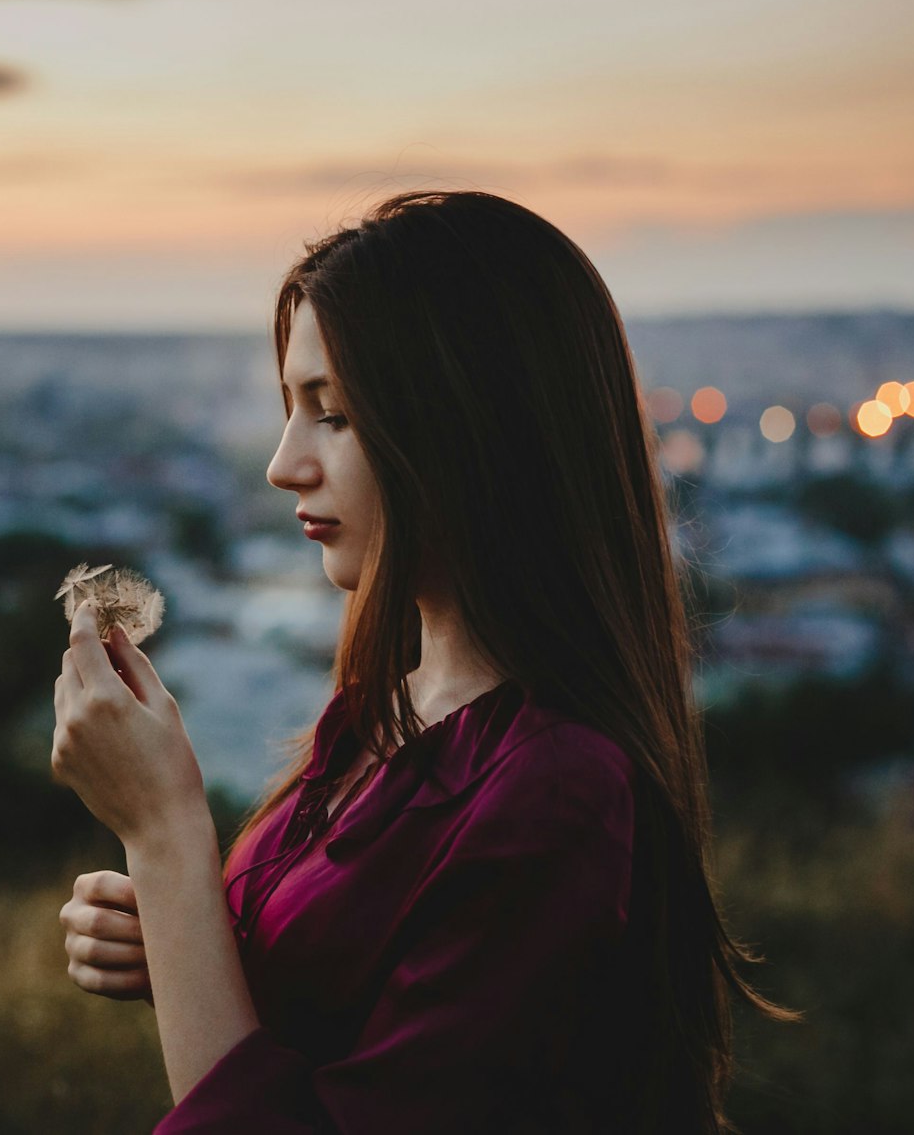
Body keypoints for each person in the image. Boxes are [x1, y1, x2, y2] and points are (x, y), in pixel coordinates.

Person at [52, 190, 800, 1133]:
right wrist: (179, 930)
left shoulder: (553, 791)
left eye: (335, 416)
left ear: (469, 427)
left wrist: (164, 835)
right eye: (291, 409)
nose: (286, 462)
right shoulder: (382, 716)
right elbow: (351, 1030)